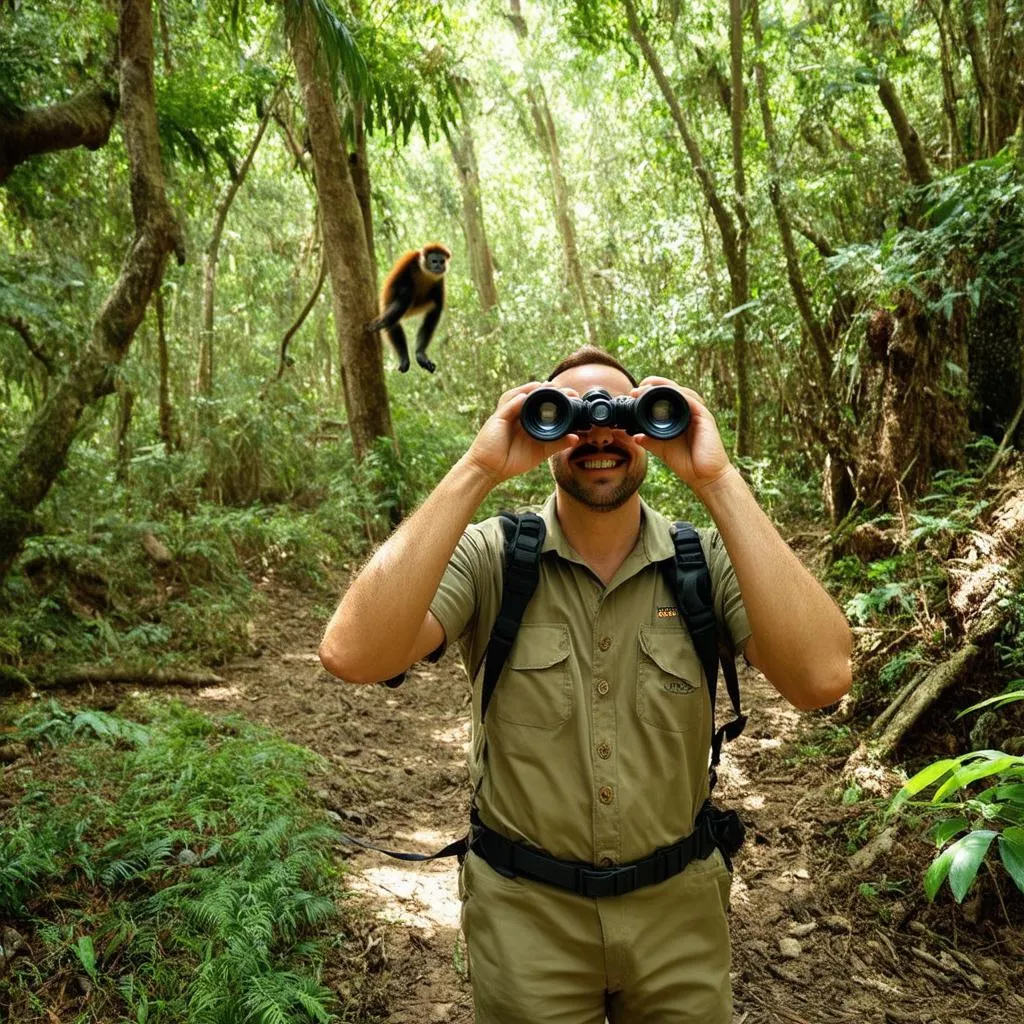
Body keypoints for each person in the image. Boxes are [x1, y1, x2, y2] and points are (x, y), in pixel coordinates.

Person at [320, 345, 852, 1024]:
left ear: (652, 430)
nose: (598, 433)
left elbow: (822, 677)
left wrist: (717, 479)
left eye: (624, 416)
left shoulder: (703, 560)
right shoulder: (494, 557)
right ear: (538, 431)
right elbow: (352, 653)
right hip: (525, 919)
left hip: (678, 916)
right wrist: (479, 468)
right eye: (567, 415)